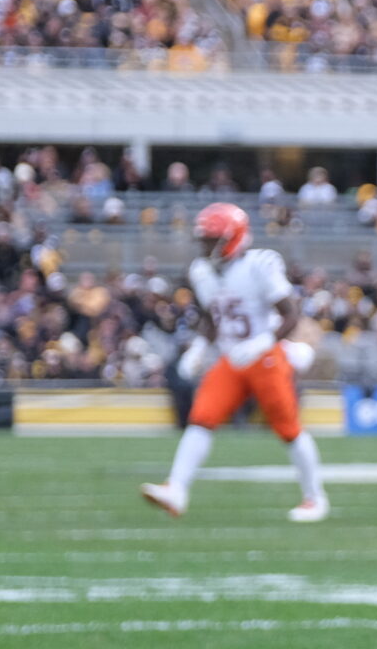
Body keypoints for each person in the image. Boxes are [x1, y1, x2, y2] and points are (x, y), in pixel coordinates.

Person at [139, 204, 328, 523]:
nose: (205, 246)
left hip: (266, 357)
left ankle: (315, 498)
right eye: (204, 240)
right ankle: (177, 489)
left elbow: (291, 314)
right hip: (232, 358)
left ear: (232, 238)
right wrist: (199, 348)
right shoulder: (201, 271)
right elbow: (212, 319)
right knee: (201, 417)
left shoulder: (259, 264)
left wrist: (263, 342)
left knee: (288, 429)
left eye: (211, 240)